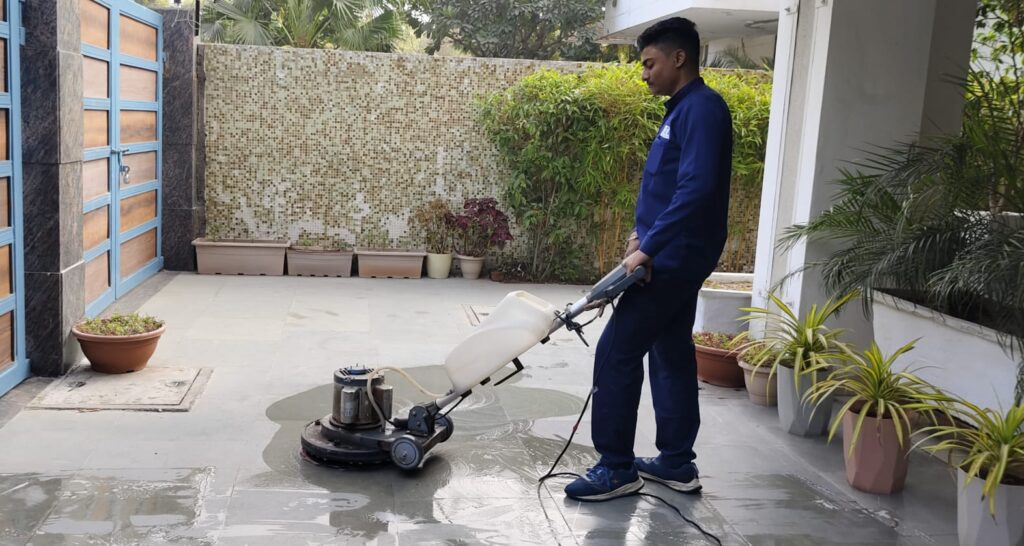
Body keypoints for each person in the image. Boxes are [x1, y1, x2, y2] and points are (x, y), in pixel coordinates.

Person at [565, 17, 733, 501]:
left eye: (649, 63)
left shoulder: (702, 109)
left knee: (616, 352)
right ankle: (677, 463)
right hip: (669, 252)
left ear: (678, 58)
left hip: (673, 259)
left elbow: (696, 189)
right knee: (670, 352)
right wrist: (642, 233)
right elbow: (669, 186)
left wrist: (648, 250)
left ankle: (616, 467)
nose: (644, 74)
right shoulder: (682, 109)